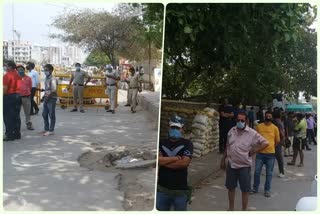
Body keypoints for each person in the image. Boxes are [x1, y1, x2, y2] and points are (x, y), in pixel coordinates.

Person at [220, 112, 268, 211]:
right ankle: (231, 208)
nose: (240, 122)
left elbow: (265, 143)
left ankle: (244, 210)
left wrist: (255, 150)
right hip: (231, 164)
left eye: (242, 120)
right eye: (238, 120)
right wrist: (223, 159)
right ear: (235, 120)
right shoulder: (231, 131)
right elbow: (228, 146)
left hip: (244, 166)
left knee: (245, 190)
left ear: (246, 121)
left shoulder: (252, 133)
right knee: (231, 188)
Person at [157, 115, 193, 211]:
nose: (174, 129)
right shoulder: (161, 142)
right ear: (168, 128)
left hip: (180, 191)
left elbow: (184, 163)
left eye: (177, 128)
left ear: (182, 129)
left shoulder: (187, 143)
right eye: (172, 127)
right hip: (162, 189)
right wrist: (176, 158)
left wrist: (164, 162)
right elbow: (158, 160)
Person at [251, 111, 280, 197]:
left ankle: (267, 190)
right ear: (264, 116)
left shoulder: (275, 128)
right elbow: (255, 138)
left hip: (270, 154)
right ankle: (255, 188)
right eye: (266, 116)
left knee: (269, 173)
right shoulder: (259, 127)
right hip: (260, 154)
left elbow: (277, 141)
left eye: (269, 116)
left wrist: (270, 146)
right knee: (256, 172)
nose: (268, 117)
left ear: (272, 117)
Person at [3, 60, 22, 141]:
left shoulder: (7, 75)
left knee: (8, 117)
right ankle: (17, 133)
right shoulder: (18, 75)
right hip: (18, 96)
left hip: (9, 97)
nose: (5, 67)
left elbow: (5, 88)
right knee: (16, 116)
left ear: (10, 66)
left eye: (6, 65)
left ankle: (9, 135)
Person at [42, 64, 58, 136]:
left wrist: (47, 99)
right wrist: (44, 97)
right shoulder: (46, 78)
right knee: (44, 114)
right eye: (44, 70)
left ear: (51, 71)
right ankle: (46, 129)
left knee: (51, 114)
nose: (45, 71)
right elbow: (47, 90)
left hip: (51, 99)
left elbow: (53, 90)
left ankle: (51, 130)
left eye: (46, 70)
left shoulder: (53, 79)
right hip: (46, 97)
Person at [17, 65, 34, 130]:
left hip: (26, 97)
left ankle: (29, 124)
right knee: (16, 112)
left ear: (24, 70)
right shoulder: (15, 79)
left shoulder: (28, 78)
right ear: (16, 71)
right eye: (18, 70)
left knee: (27, 112)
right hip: (17, 97)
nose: (20, 71)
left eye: (21, 70)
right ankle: (17, 126)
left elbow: (30, 87)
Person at [272, 110, 285, 178]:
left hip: (275, 141)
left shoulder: (275, 121)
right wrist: (283, 139)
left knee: (275, 157)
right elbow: (281, 132)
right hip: (278, 141)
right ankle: (281, 171)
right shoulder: (278, 122)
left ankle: (281, 172)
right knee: (279, 157)